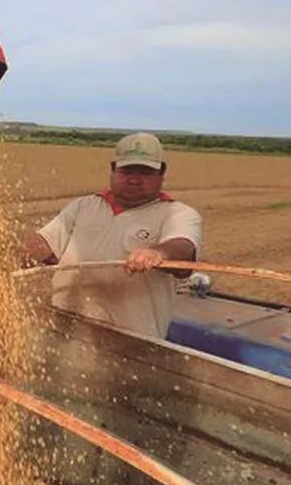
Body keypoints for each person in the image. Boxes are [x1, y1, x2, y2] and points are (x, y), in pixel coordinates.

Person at [20, 132, 202, 339]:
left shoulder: (177, 214)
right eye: (127, 171)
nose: (134, 179)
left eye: (145, 172)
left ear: (161, 173)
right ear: (113, 170)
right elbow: (45, 244)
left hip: (130, 343)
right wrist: (5, 256)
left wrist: (157, 253)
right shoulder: (84, 206)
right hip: (65, 329)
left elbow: (183, 248)